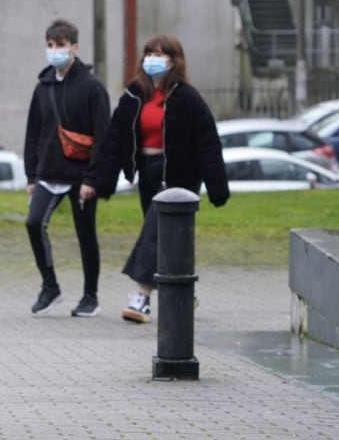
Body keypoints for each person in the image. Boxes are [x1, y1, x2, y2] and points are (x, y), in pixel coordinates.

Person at [82, 34, 229, 323]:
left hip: (179, 176)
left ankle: (141, 297)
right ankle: (182, 289)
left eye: (159, 54)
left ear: (174, 60)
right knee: (167, 239)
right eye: (148, 53)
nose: (151, 59)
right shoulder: (135, 94)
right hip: (148, 174)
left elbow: (208, 143)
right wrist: (99, 181)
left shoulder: (188, 98)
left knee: (154, 233)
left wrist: (217, 187)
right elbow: (114, 140)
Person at [23, 19, 110, 317]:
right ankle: (50, 287)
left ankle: (90, 297)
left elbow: (103, 136)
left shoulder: (92, 88)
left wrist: (92, 178)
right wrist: (31, 176)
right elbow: (33, 133)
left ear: (74, 47)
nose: (54, 51)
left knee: (85, 234)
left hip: (80, 177)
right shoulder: (42, 86)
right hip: (48, 173)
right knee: (33, 223)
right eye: (50, 46)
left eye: (60, 45)